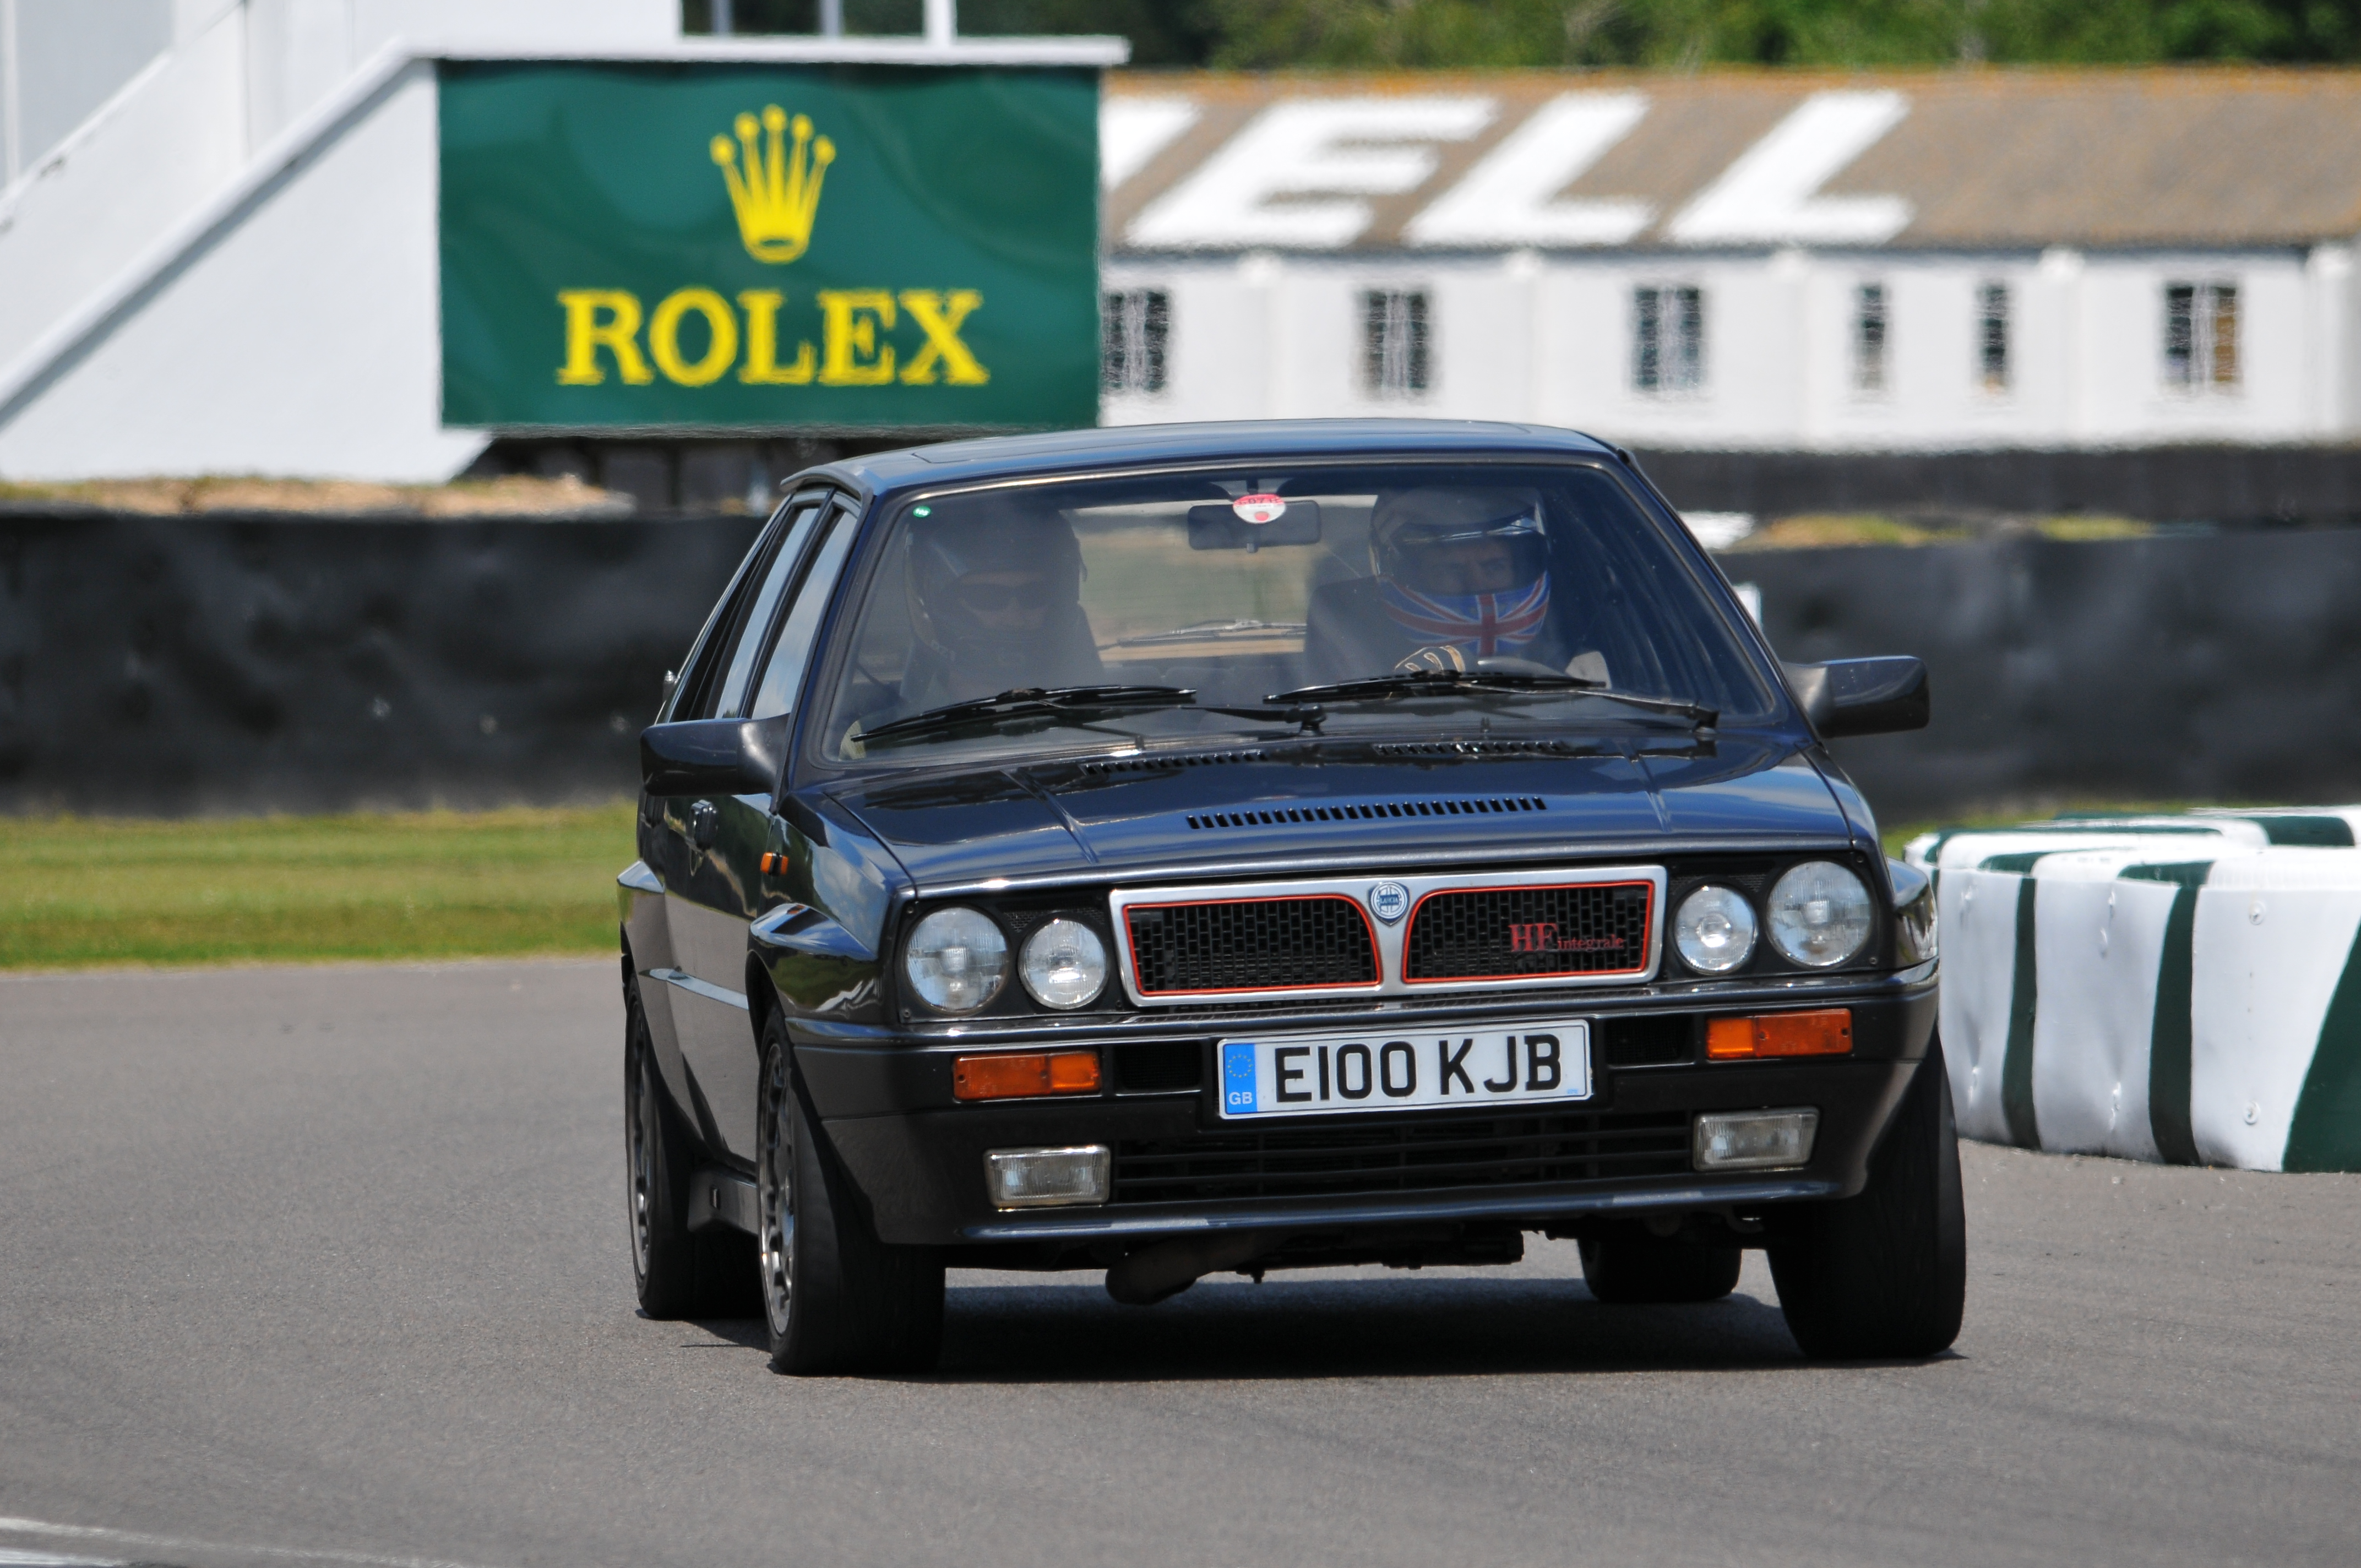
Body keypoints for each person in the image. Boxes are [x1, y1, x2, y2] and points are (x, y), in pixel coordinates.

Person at [1303, 486, 1607, 683]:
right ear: (1405, 574)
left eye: (1494, 566)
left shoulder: (1583, 668)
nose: (1476, 584)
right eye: (1450, 569)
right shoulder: (1356, 669)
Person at [895, 497, 1105, 712]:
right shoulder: (884, 739)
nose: (1014, 617)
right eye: (987, 597)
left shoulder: (1121, 714)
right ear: (946, 605)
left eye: (1035, 594)